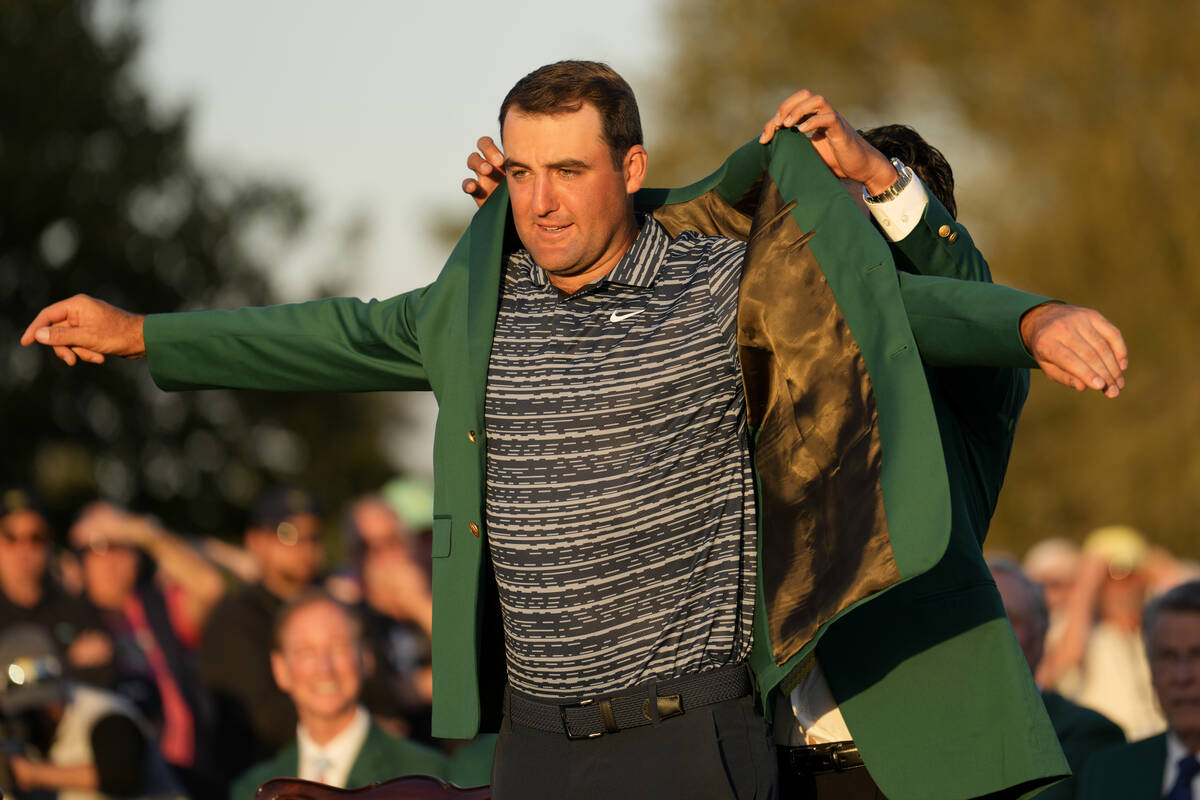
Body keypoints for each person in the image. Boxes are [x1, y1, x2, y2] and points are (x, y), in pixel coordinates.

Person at [22, 61, 1128, 799]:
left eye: (568, 170)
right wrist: (143, 337)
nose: (541, 198)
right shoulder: (480, 305)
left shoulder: (731, 286)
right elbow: (336, 333)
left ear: (630, 171)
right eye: (521, 172)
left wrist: (1036, 315)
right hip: (546, 742)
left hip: (729, 735)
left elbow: (909, 307)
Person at [229, 592, 452, 799]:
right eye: (306, 652)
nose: (324, 669)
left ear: (366, 658)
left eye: (338, 648)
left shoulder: (426, 776)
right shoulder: (251, 789)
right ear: (280, 669)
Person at [69, 501, 224, 793]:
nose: (111, 560)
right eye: (98, 548)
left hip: (184, 771)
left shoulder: (157, 606)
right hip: (117, 779)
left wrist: (139, 531)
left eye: (122, 546)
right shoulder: (68, 619)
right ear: (80, 559)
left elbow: (209, 586)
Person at [197, 487, 325, 792]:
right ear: (255, 541)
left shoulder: (332, 608)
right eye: (288, 533)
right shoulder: (235, 617)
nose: (304, 546)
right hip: (261, 784)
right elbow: (266, 719)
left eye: (314, 535)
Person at [988, 557, 1125, 800]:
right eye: (978, 618)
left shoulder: (1090, 739)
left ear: (1041, 636)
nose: (991, 631)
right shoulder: (922, 730)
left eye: (1009, 618)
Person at [0, 623, 182, 800]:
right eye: (23, 710)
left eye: (38, 707)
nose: (33, 717)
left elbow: (119, 775)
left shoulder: (103, 713)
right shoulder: (23, 732)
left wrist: (30, 773)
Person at [1039, 525, 1167, 740]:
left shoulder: (1155, 629)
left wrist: (1157, 565)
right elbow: (1063, 661)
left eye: (1130, 575)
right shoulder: (1075, 628)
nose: (1122, 587)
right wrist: (1086, 582)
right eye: (1110, 576)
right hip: (1104, 752)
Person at [1078, 580, 1200, 798]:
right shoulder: (1108, 773)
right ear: (1149, 666)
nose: (1182, 676)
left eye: (1197, 655)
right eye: (1167, 657)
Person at [0, 488, 115, 689]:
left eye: (35, 538)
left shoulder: (74, 608)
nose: (23, 549)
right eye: (11, 537)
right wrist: (64, 662)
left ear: (48, 545)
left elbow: (104, 670)